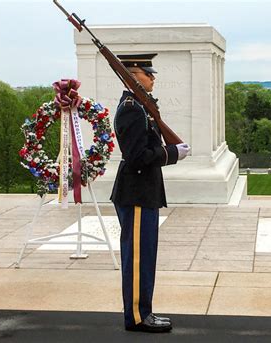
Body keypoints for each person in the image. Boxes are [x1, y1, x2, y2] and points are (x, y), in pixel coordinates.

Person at [110, 53, 190, 333]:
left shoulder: (141, 107)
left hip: (143, 193)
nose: (153, 77)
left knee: (145, 256)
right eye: (147, 73)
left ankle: (144, 311)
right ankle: (137, 316)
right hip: (136, 194)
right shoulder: (132, 108)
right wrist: (171, 153)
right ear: (133, 76)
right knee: (137, 259)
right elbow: (135, 156)